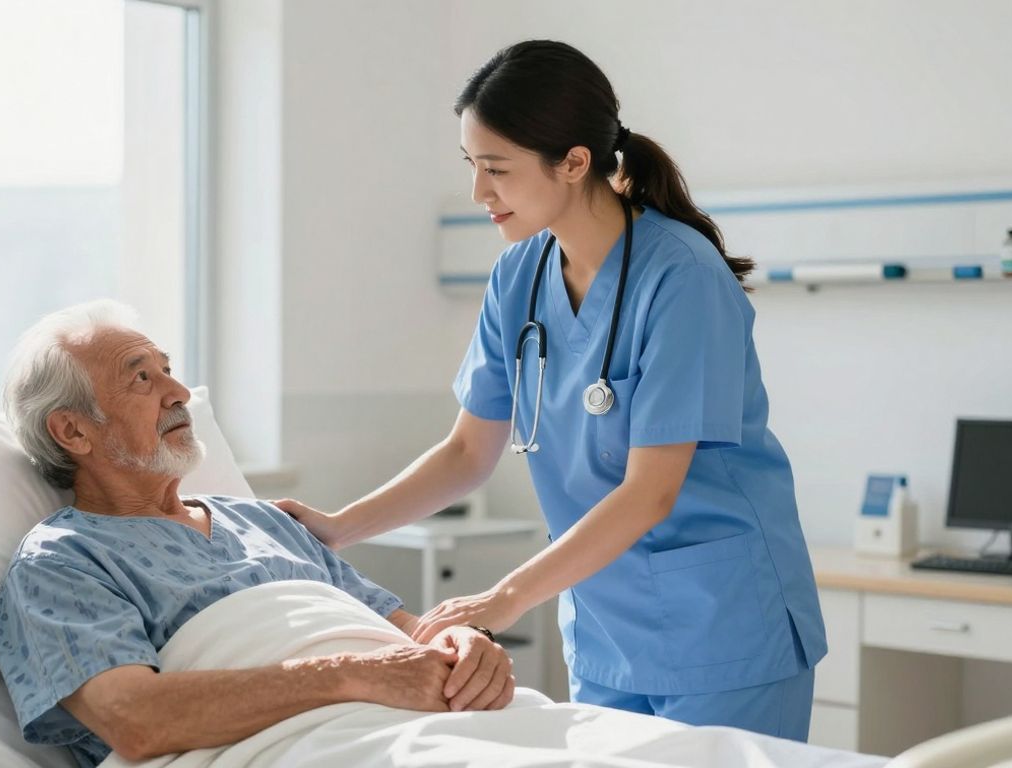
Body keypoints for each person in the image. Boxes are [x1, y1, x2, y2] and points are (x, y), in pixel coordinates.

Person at [274, 40, 826, 741]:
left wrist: (502, 599)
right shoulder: (519, 277)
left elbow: (650, 491)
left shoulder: (681, 279)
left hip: (722, 626)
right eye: (472, 167)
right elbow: (469, 451)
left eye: (497, 169)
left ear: (573, 162)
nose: (480, 193)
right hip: (605, 629)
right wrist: (338, 526)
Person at [0, 300, 514, 767]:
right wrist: (356, 675)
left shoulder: (266, 520)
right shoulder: (61, 562)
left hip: (416, 725)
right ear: (73, 431)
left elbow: (404, 633)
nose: (177, 393)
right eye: (142, 380)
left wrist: (465, 643)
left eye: (168, 371)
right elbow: (134, 719)